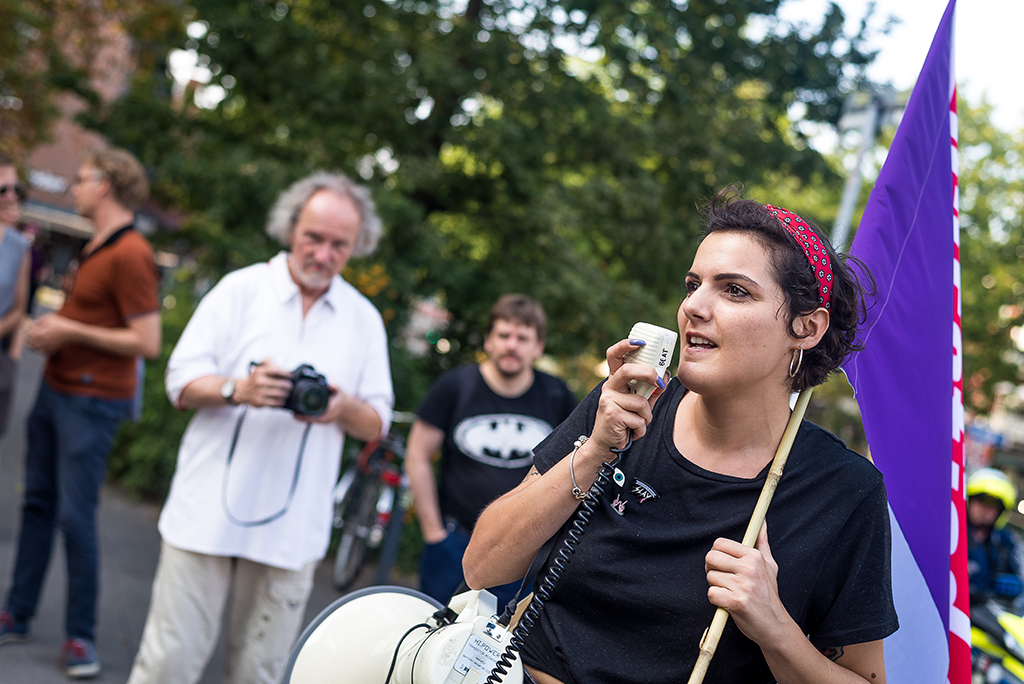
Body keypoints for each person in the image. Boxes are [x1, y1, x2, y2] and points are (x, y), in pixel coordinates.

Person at [464, 187, 898, 684]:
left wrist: (774, 626)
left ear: (807, 327)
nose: (694, 306)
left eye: (734, 290)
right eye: (693, 285)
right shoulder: (623, 407)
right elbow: (482, 567)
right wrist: (594, 452)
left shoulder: (845, 491)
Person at [126, 171, 394, 684]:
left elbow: (377, 422)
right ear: (290, 227)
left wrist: (340, 407)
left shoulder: (363, 319)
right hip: (205, 511)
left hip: (293, 528)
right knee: (168, 664)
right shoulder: (241, 289)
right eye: (313, 237)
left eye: (339, 244)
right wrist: (239, 389)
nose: (323, 254)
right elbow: (179, 382)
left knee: (262, 672)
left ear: (357, 246)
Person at [0, 147, 161, 679]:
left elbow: (146, 341)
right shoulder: (95, 245)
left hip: (91, 404)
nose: (75, 186)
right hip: (55, 390)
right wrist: (56, 331)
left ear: (107, 185)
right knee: (37, 505)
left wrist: (68, 329)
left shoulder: (132, 253)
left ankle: (80, 636)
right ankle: (17, 612)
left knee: (75, 516)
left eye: (83, 178)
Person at [405, 294, 577, 608]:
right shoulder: (455, 386)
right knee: (433, 631)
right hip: (453, 544)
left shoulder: (557, 396)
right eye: (504, 335)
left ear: (538, 347)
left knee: (502, 638)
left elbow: (575, 467)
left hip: (522, 551)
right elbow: (417, 455)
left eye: (522, 338)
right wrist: (434, 533)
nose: (512, 345)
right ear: (488, 340)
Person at [0, 154, 31, 435]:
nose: (11, 197)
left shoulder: (19, 245)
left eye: (15, 189)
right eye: (3, 189)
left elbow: (19, 308)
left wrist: (13, 354)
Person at [966, 467, 1024, 602]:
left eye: (992, 505)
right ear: (969, 500)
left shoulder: (1006, 542)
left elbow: (1020, 575)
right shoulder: (952, 536)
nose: (984, 510)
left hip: (988, 610)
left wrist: (1015, 586)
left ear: (1001, 511)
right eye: (980, 501)